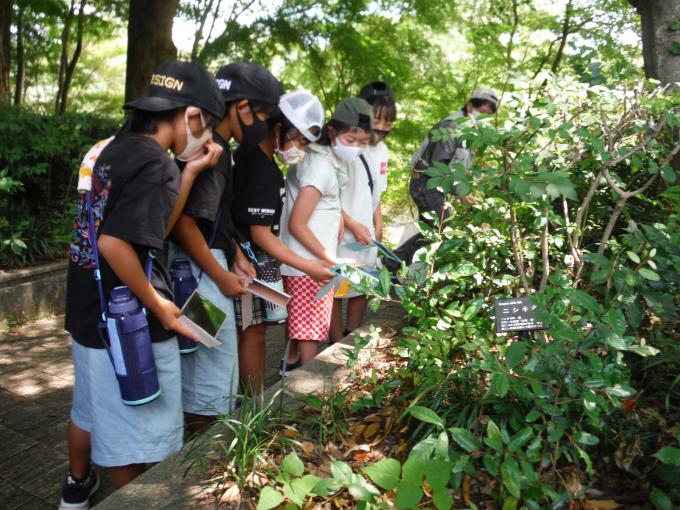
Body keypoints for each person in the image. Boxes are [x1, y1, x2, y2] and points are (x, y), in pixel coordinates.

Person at [60, 61, 225, 509]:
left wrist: (187, 173)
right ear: (191, 117)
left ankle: (74, 494)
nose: (207, 138)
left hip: (87, 312)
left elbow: (148, 232)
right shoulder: (156, 164)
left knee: (92, 412)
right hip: (129, 325)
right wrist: (159, 305)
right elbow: (116, 243)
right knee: (135, 443)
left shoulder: (106, 148)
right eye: (207, 126)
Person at [168, 61, 285, 431]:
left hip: (207, 268)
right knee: (209, 377)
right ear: (242, 108)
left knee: (209, 367)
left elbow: (213, 218)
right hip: (200, 281)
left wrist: (233, 252)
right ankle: (201, 460)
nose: (265, 124)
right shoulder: (213, 152)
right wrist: (219, 275)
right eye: (263, 114)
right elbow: (185, 225)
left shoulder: (216, 148)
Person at [232, 89, 334, 390]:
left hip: (253, 258)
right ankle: (253, 402)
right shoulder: (257, 166)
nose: (299, 149)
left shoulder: (262, 160)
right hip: (246, 262)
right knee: (253, 329)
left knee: (260, 328)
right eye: (298, 141)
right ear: (278, 128)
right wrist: (307, 265)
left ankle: (255, 395)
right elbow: (259, 233)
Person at [279, 97, 373, 370]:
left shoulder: (321, 161)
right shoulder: (320, 166)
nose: (356, 147)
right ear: (332, 131)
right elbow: (298, 222)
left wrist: (344, 221)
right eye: (352, 139)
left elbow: (323, 204)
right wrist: (328, 260)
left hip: (307, 261)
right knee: (310, 331)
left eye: (363, 141)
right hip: (309, 263)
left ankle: (293, 368)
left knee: (302, 324)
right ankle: (308, 391)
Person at [386, 88, 499, 272]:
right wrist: (459, 191)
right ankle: (389, 264)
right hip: (426, 183)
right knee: (441, 229)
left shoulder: (469, 133)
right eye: (482, 112)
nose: (484, 117)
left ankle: (396, 267)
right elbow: (439, 167)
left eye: (489, 114)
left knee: (430, 232)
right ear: (470, 106)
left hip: (434, 186)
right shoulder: (451, 126)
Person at [330, 81, 396, 343]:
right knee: (335, 289)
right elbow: (328, 194)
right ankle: (332, 342)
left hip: (367, 236)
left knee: (361, 286)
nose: (381, 128)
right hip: (340, 233)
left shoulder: (382, 150)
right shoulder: (347, 147)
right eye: (376, 119)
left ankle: (351, 336)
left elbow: (376, 194)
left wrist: (377, 225)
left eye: (388, 122)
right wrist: (351, 223)